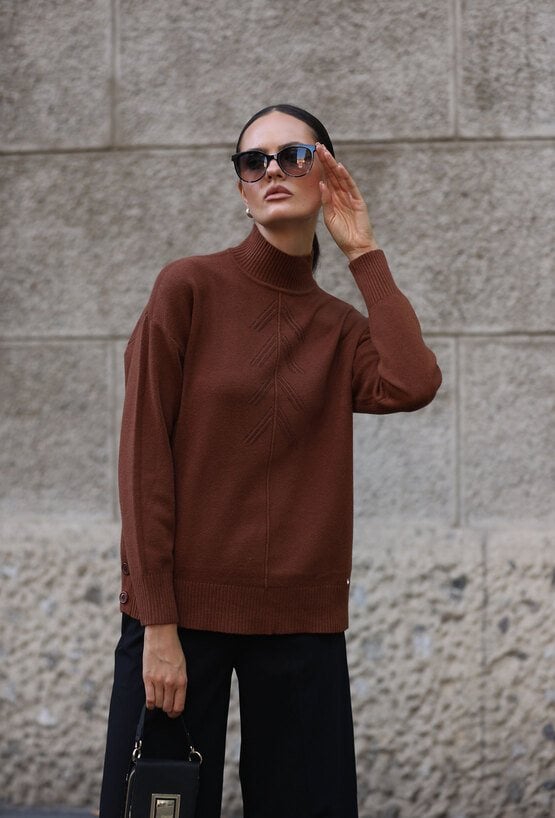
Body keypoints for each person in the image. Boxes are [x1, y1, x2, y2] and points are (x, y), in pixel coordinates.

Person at [99, 103, 442, 818]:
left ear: (328, 175)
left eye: (294, 155)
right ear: (242, 188)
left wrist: (363, 252)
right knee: (157, 804)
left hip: (301, 624)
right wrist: (156, 624)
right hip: (180, 618)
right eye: (253, 161)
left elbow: (412, 382)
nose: (272, 170)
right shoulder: (187, 289)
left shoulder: (339, 329)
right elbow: (143, 461)